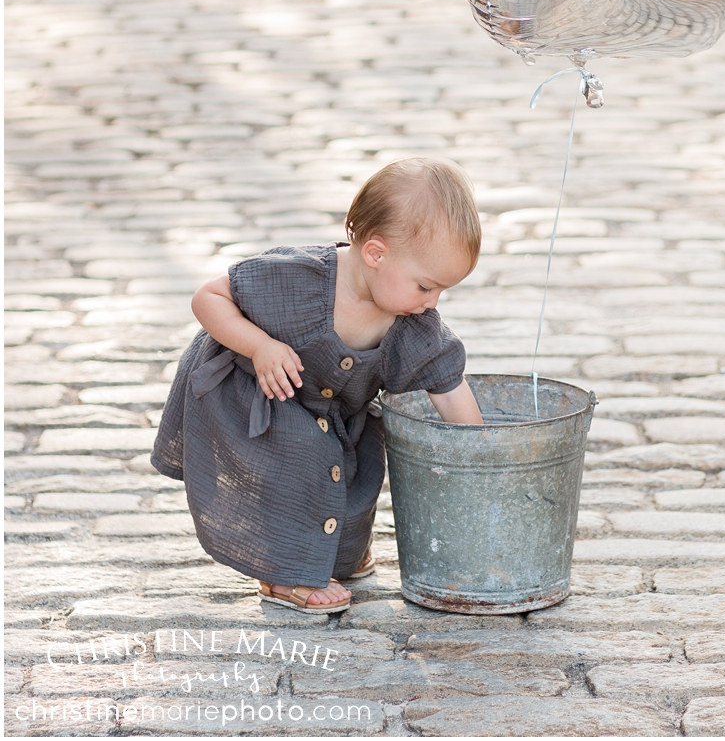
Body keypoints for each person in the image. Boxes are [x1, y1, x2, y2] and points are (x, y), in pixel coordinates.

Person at [152, 157, 484, 613]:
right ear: (375, 253)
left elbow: (448, 386)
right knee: (297, 457)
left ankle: (335, 554)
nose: (432, 303)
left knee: (360, 462)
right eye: (426, 286)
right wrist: (259, 345)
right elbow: (207, 297)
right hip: (257, 393)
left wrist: (482, 452)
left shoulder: (411, 322)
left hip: (330, 414)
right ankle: (283, 574)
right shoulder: (296, 278)